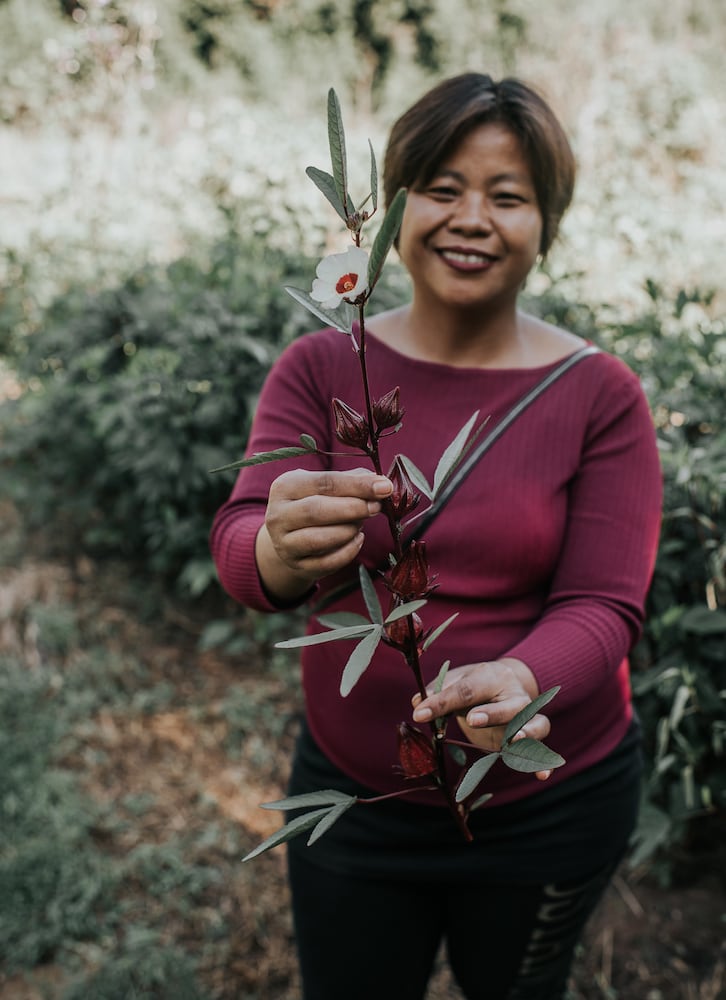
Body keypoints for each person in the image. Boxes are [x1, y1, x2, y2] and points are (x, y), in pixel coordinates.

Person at [210, 73, 662, 1000]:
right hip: (357, 802)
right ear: (392, 210)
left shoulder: (600, 393)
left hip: (549, 802)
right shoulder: (323, 363)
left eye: (509, 196)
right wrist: (280, 547)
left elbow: (605, 605)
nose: (472, 218)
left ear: (548, 223)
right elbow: (244, 543)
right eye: (444, 187)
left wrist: (525, 676)